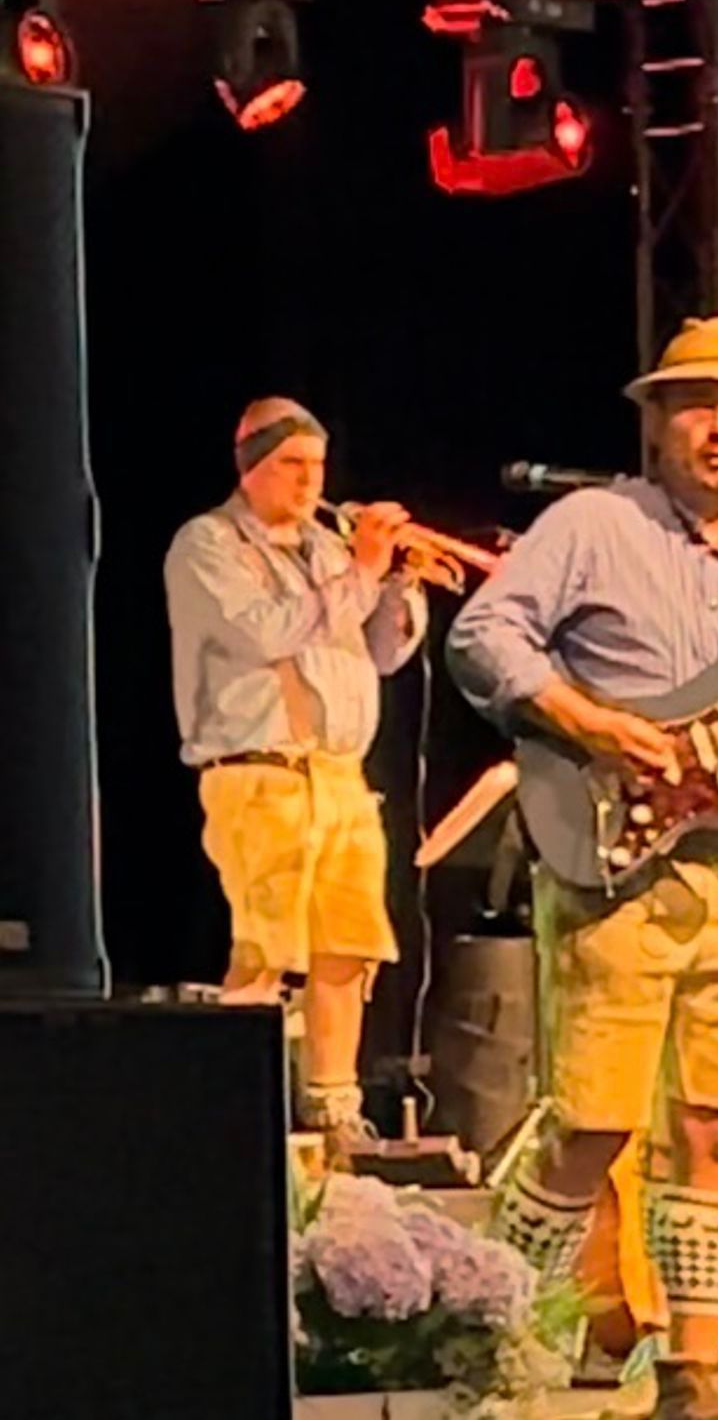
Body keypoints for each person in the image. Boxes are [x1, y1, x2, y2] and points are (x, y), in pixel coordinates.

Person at [447, 316, 718, 1420]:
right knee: (593, 1122)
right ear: (657, 421)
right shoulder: (593, 522)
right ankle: (491, 1334)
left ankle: (694, 1366)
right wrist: (594, 721)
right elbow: (483, 636)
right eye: (697, 404)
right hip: (612, 859)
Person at [164, 397, 423, 1157]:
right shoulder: (207, 545)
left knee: (349, 947)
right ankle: (236, 1108)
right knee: (266, 946)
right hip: (260, 773)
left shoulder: (330, 549)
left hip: (341, 775)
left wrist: (399, 590)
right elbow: (268, 630)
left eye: (318, 465)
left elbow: (378, 654)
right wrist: (365, 572)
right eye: (293, 466)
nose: (313, 482)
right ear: (251, 467)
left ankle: (333, 1113)